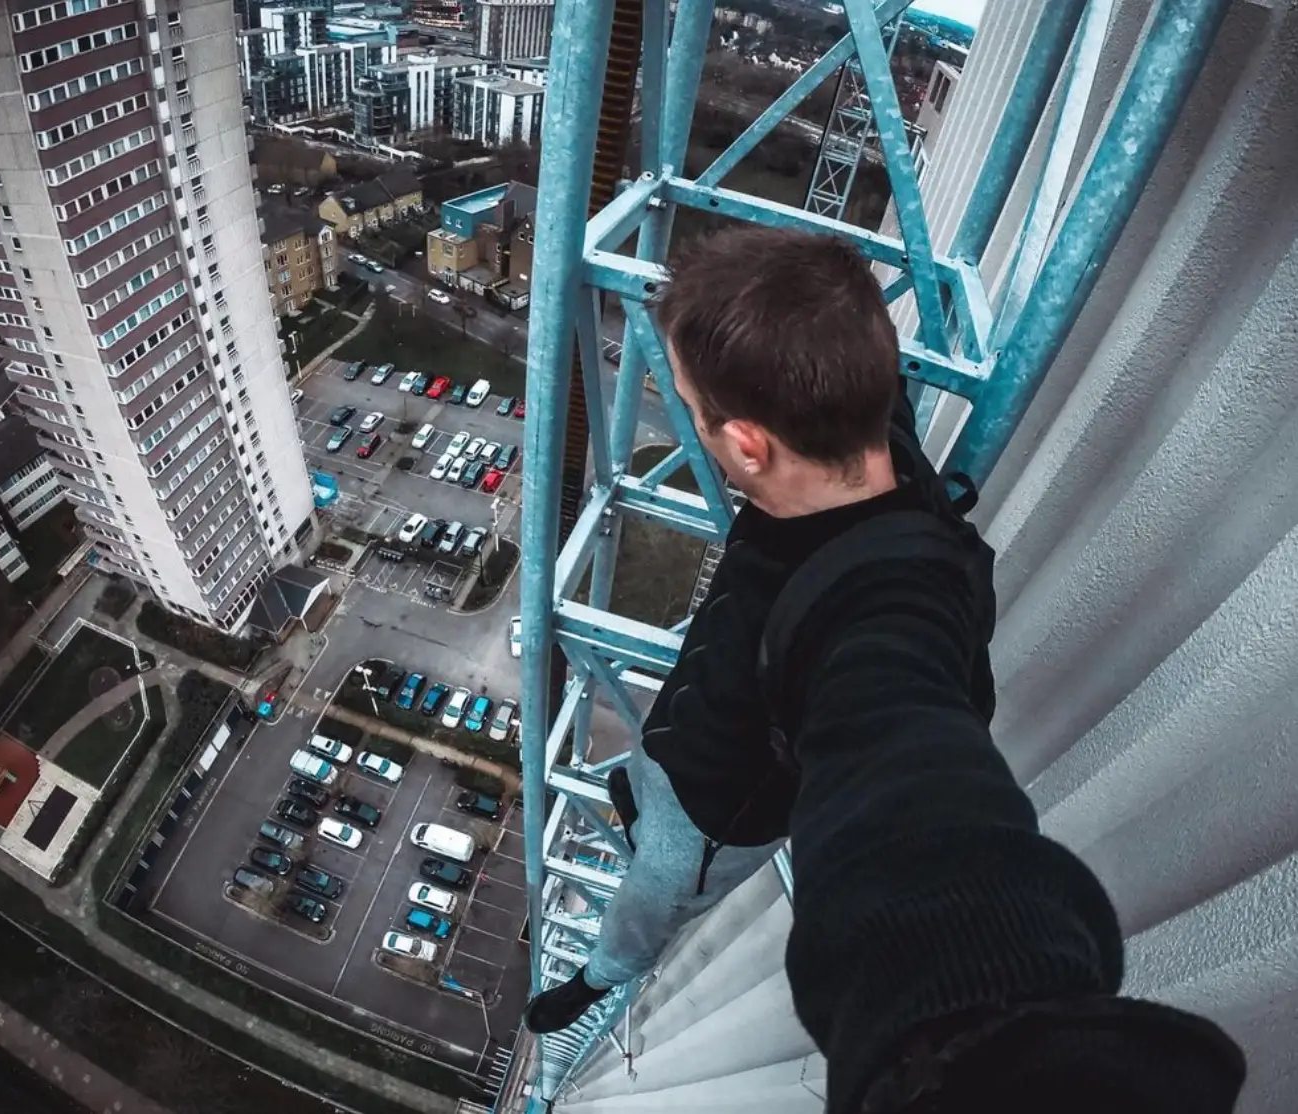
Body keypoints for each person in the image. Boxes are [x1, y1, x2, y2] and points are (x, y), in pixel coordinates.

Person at [524, 227, 1246, 1112]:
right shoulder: (861, 425)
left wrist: (968, 1045)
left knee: (657, 881)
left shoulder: (872, 615)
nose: (690, 423)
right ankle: (637, 812)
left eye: (690, 409)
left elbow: (902, 767)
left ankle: (601, 975)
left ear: (747, 445)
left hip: (713, 815)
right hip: (692, 737)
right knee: (650, 797)